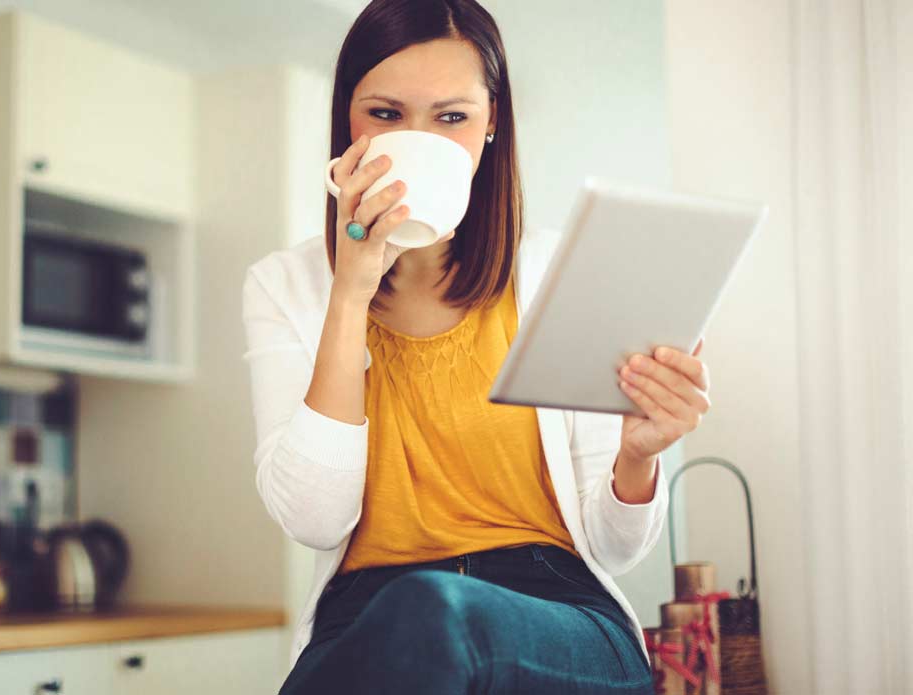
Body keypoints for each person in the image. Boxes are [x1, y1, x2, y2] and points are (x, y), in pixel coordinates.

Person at [240, 1, 712, 692]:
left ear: (493, 123)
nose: (416, 139)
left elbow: (615, 545)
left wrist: (637, 456)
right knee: (409, 621)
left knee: (436, 612)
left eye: (452, 117)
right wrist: (349, 292)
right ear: (347, 122)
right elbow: (314, 519)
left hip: (555, 606)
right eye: (385, 114)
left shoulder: (560, 272)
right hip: (366, 611)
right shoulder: (284, 286)